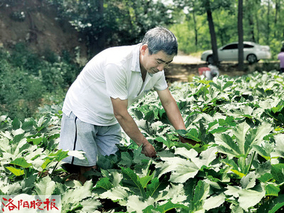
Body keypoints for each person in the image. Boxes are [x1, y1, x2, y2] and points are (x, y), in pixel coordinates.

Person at [59, 26, 194, 183]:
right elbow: (121, 114)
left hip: (109, 117)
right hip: (83, 113)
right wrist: (144, 144)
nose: (161, 68)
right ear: (144, 49)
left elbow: (168, 101)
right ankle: (83, 201)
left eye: (167, 63)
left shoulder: (155, 69)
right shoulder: (117, 64)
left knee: (113, 165)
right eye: (159, 61)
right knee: (89, 170)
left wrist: (183, 134)